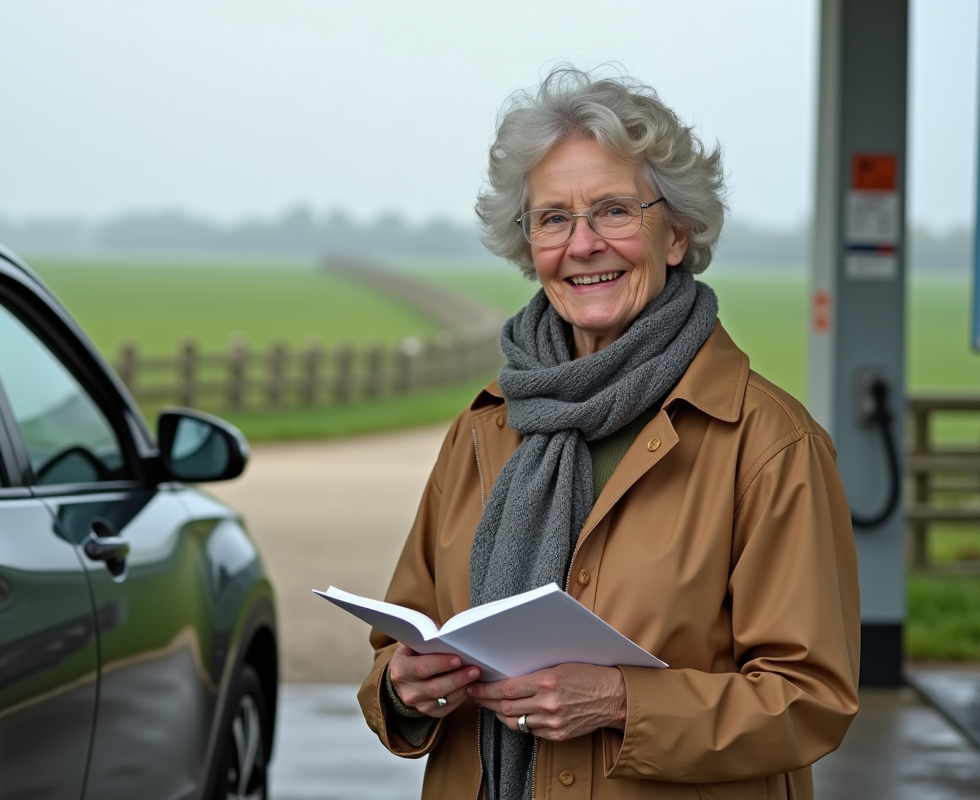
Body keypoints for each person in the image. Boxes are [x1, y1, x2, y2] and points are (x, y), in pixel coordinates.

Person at [357, 67, 860, 800]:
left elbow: (812, 699)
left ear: (678, 233)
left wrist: (626, 704)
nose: (583, 244)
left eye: (614, 210)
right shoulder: (486, 426)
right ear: (529, 247)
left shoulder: (769, 442)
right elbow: (397, 647)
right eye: (554, 218)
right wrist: (404, 688)